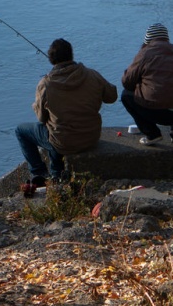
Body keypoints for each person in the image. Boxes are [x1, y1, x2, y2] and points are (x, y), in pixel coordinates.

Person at [16, 38, 118, 191]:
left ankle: (40, 173)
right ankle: (57, 173)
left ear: (51, 59)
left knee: (22, 130)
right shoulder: (92, 75)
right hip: (91, 137)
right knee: (55, 129)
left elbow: (41, 118)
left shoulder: (45, 84)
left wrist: (36, 105)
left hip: (63, 142)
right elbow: (112, 97)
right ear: (71, 55)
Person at [121, 23, 173, 146]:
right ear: (166, 38)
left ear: (147, 39)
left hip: (158, 113)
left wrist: (139, 84)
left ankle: (152, 134)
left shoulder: (144, 53)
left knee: (126, 95)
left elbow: (127, 83)